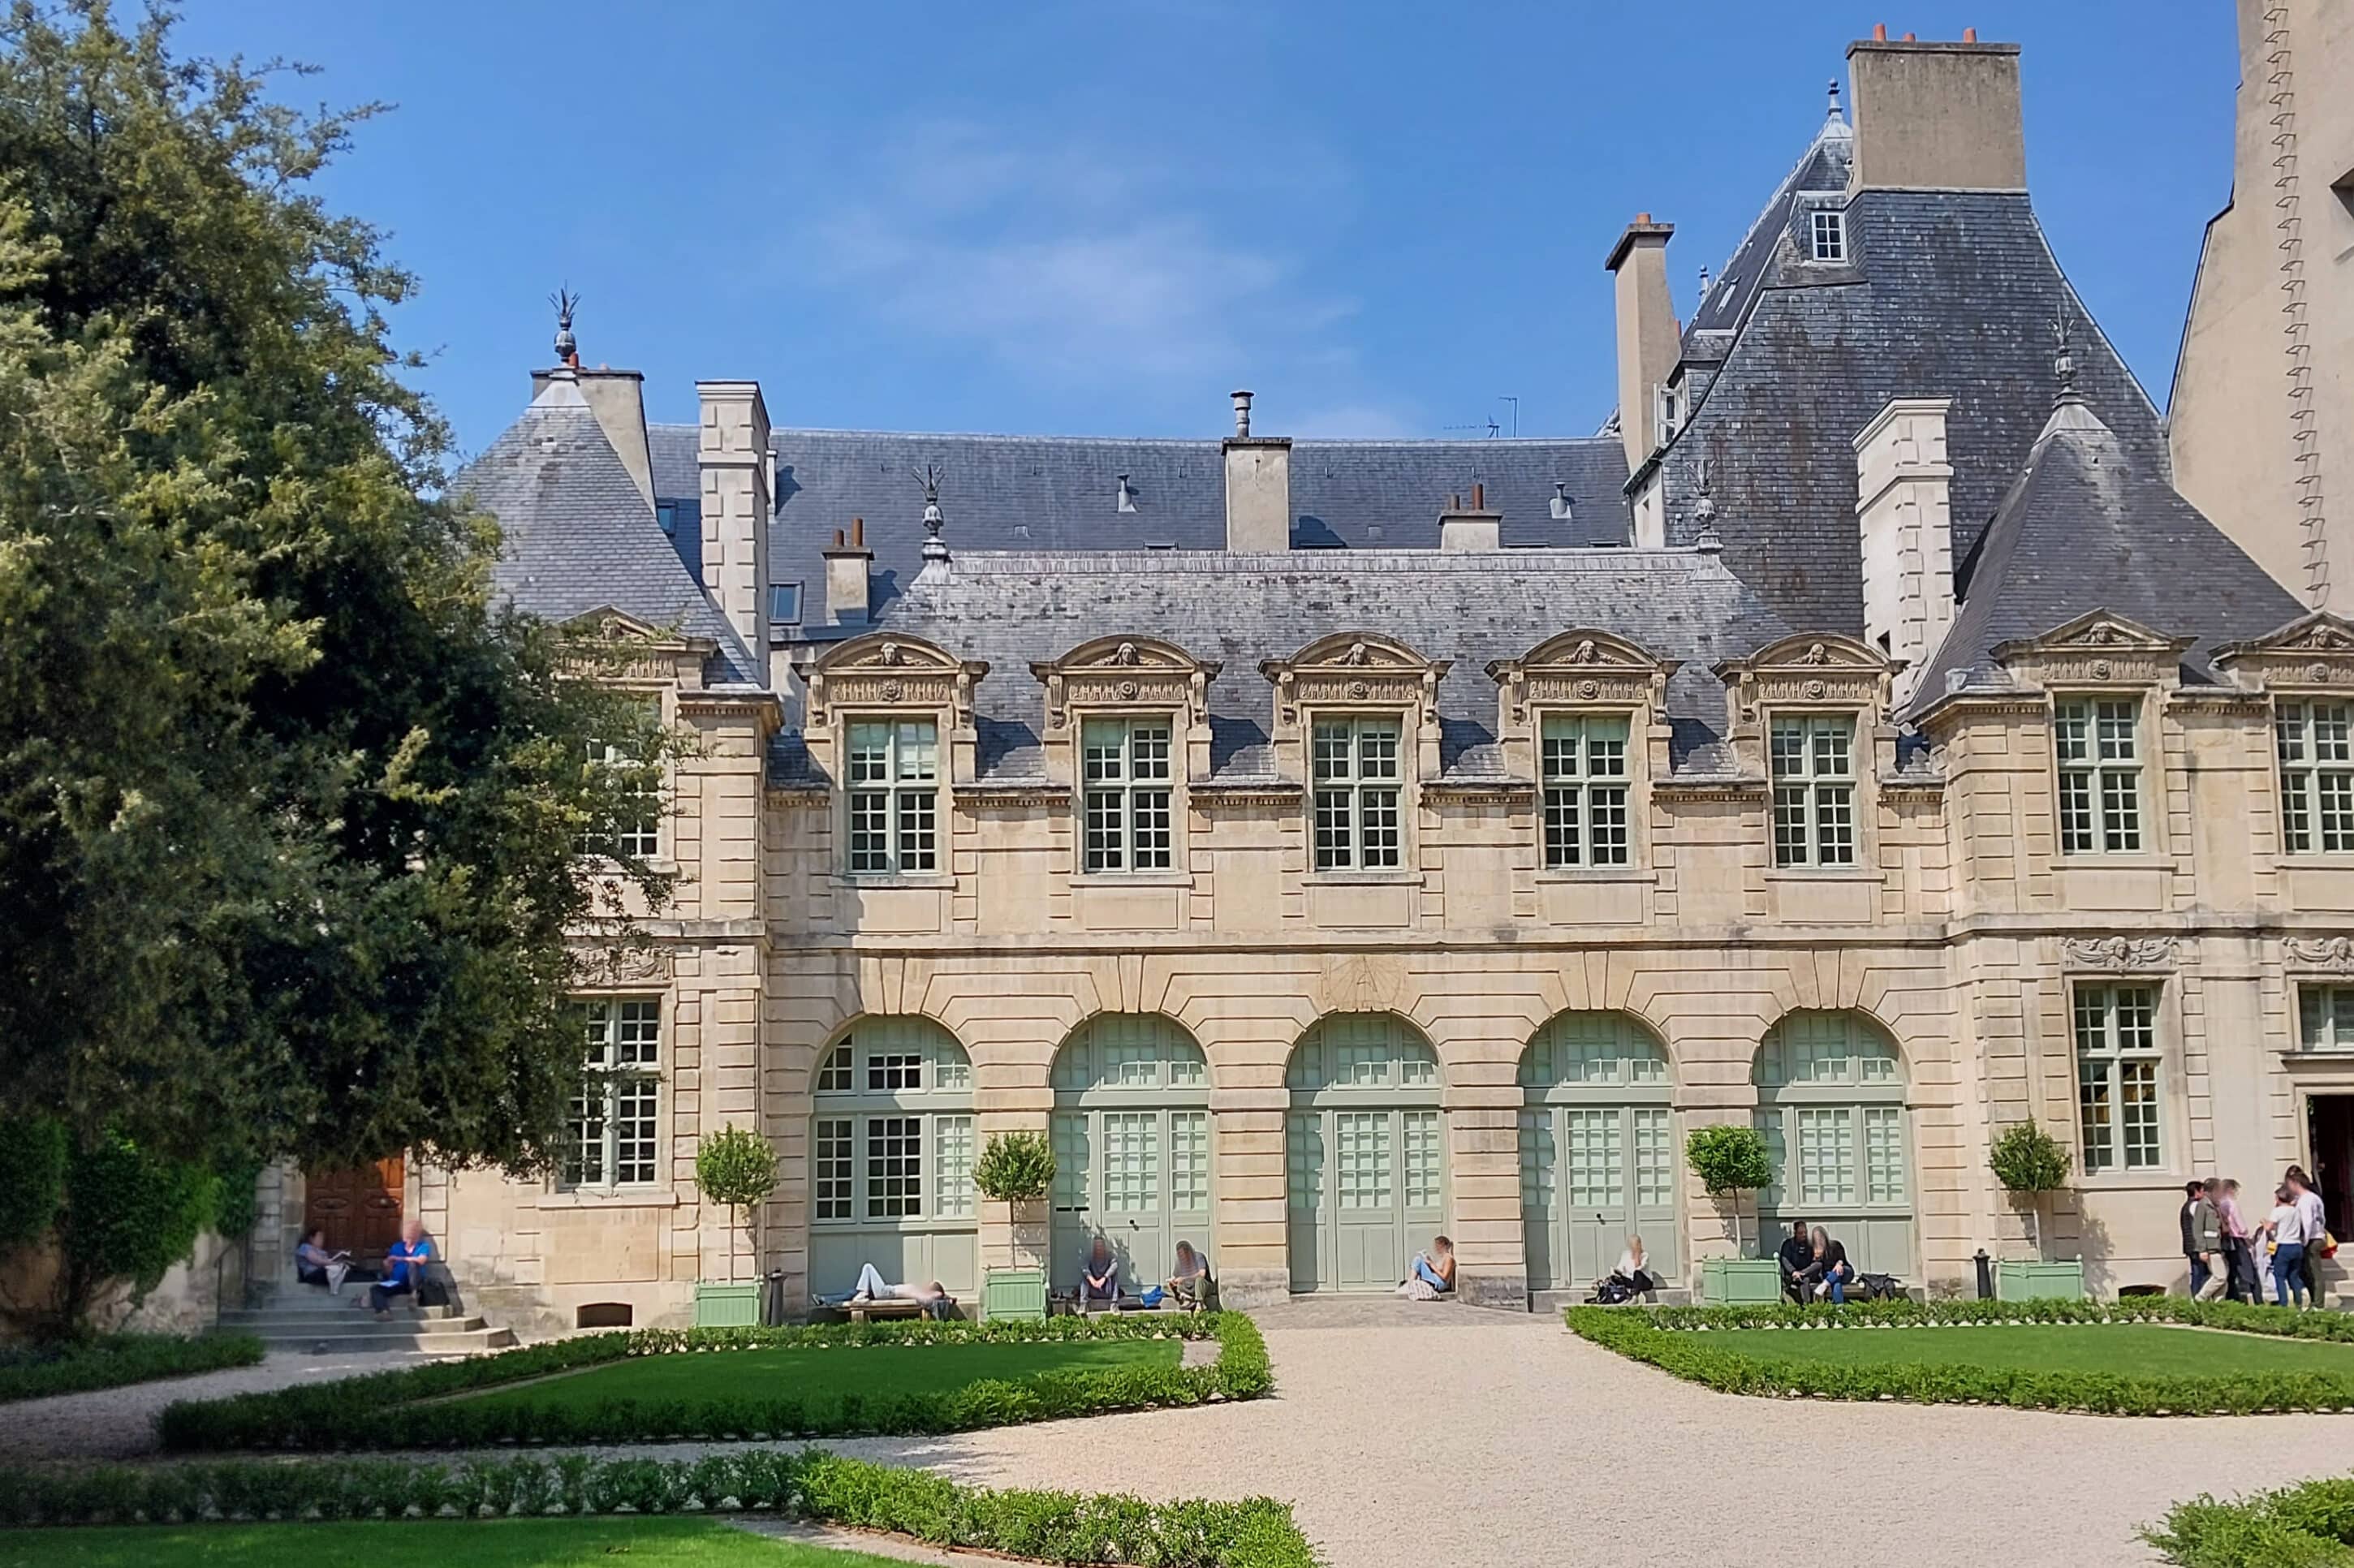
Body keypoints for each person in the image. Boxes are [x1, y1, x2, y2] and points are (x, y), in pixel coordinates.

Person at [364, 1218, 434, 1317]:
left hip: (414, 1283)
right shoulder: (397, 1247)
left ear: (416, 1234)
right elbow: (389, 1271)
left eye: (410, 1231)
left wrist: (401, 1258)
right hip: (397, 1282)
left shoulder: (423, 1246)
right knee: (375, 1289)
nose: (407, 1234)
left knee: (413, 1264)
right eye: (405, 1231)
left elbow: (421, 1260)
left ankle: (414, 1294)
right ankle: (383, 1311)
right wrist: (387, 1265)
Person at [837, 1263, 952, 1319]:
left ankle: (863, 1294)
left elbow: (937, 1296)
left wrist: (946, 1298)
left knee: (868, 1267)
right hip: (887, 1290)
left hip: (886, 1292)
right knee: (851, 1292)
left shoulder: (924, 1295)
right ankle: (861, 1293)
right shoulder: (921, 1292)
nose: (926, 1285)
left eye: (930, 1286)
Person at [2288, 1165, 2329, 1308]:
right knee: (2309, 1271)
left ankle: (2318, 1303)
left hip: (2311, 1238)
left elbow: (2307, 1221)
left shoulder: (2305, 1200)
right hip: (2318, 1235)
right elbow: (2322, 1218)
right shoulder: (2314, 1198)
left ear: (2295, 1183)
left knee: (2313, 1272)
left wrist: (2304, 1241)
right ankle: (2315, 1301)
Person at [2266, 1182, 2312, 1309]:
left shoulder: (2277, 1211)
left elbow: (2269, 1227)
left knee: (2279, 1276)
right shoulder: (2296, 1211)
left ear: (2278, 1198)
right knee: (2294, 1276)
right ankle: (2299, 1302)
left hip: (2283, 1245)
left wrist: (2264, 1223)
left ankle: (2283, 1303)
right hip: (2296, 1245)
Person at [2218, 1178, 2259, 1303]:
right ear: (2230, 1189)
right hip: (2237, 1239)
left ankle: (2233, 1297)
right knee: (2249, 1271)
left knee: (2231, 1271)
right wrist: (2247, 1236)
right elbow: (2240, 1225)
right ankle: (2257, 1298)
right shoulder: (2232, 1204)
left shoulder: (2219, 1204)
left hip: (2226, 1240)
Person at [2188, 1179, 2227, 1301]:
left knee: (2223, 1280)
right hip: (2210, 1248)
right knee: (2220, 1277)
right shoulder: (2202, 1205)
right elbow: (2198, 1228)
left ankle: (2219, 1304)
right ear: (2213, 1191)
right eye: (2219, 1191)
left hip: (2217, 1246)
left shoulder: (2214, 1206)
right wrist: (2202, 1249)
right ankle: (2200, 1298)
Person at [1397, 1235, 1455, 1300]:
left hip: (1439, 1283)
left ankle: (1410, 1283)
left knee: (1418, 1260)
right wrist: (1429, 1264)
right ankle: (1411, 1282)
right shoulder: (1443, 1258)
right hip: (1435, 1280)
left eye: (1437, 1246)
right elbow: (1436, 1270)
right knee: (1420, 1260)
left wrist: (1432, 1265)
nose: (1436, 1249)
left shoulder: (1449, 1258)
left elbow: (1444, 1277)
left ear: (1442, 1245)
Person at [1805, 1226, 1852, 1304]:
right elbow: (1815, 1267)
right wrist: (1816, 1258)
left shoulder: (1836, 1245)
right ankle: (1839, 1307)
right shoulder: (1811, 1250)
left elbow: (1842, 1259)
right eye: (1817, 1239)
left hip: (1844, 1271)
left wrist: (1839, 1264)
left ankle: (1825, 1284)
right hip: (1829, 1275)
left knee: (1839, 1271)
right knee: (1836, 1283)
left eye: (1821, 1238)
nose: (1820, 1241)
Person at [1166, 1240, 1216, 1311]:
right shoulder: (1179, 1262)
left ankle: (1199, 1303)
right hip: (1189, 1288)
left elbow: (1202, 1274)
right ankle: (1186, 1298)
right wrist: (1173, 1282)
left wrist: (1184, 1279)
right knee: (1166, 1287)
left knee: (1199, 1280)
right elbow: (1176, 1277)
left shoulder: (1199, 1257)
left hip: (1203, 1286)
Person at [1777, 1218, 1815, 1304]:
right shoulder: (1788, 1245)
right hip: (1792, 1275)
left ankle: (1806, 1305)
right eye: (1801, 1233)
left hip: (1805, 1273)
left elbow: (1813, 1260)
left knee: (1806, 1279)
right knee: (1803, 1281)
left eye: (1805, 1232)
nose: (1804, 1235)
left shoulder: (1809, 1245)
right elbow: (1785, 1260)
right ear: (1795, 1233)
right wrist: (1793, 1271)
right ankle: (1805, 1304)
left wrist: (1803, 1272)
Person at [1608, 1234, 1661, 1298]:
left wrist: (1637, 1255)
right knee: (1614, 1278)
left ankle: (1634, 1296)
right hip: (1631, 1281)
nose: (1634, 1247)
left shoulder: (1645, 1255)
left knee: (1637, 1273)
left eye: (1636, 1245)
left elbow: (1638, 1268)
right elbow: (1620, 1268)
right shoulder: (1625, 1254)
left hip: (1644, 1282)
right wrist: (1617, 1272)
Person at [2178, 1179, 2206, 1294]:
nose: (2204, 1194)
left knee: (2197, 1272)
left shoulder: (2186, 1206)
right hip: (2196, 1245)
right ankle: (2198, 1297)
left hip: (2191, 1244)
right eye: (2202, 1191)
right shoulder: (2195, 1205)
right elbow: (2200, 1224)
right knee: (2199, 1274)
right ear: (2197, 1192)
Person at [1080, 1235, 1120, 1311]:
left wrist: (1104, 1278)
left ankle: (1114, 1304)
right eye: (1097, 1246)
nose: (1099, 1248)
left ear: (1104, 1247)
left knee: (1114, 1275)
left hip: (1106, 1289)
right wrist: (1091, 1279)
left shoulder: (1110, 1255)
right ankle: (1083, 1304)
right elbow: (1084, 1268)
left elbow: (1115, 1265)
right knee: (1085, 1276)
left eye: (1100, 1246)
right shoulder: (1089, 1256)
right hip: (1093, 1289)